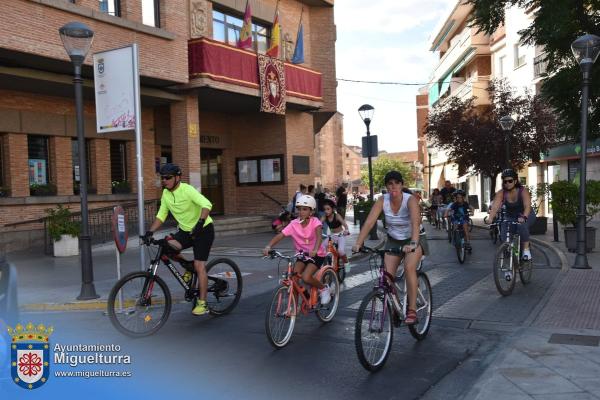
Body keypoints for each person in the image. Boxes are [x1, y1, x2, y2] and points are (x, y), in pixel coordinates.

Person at [352, 171, 428, 325]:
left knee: (408, 268)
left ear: (401, 185)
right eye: (390, 184)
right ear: (386, 186)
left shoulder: (410, 200)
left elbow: (415, 222)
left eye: (396, 183)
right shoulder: (382, 200)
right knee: (386, 278)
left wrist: (413, 243)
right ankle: (396, 307)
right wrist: (358, 243)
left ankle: (412, 310)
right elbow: (369, 222)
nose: (393, 186)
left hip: (414, 239)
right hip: (394, 240)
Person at [143, 163, 215, 316]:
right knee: (167, 248)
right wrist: (150, 232)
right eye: (162, 178)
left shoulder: (187, 190)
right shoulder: (166, 194)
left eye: (167, 178)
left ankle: (203, 303)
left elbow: (207, 204)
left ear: (177, 177)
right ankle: (188, 267)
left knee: (200, 265)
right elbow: (161, 215)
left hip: (203, 231)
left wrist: (200, 223)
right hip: (185, 231)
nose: (164, 180)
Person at [263, 195, 331, 304]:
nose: (301, 212)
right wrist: (268, 246)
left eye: (304, 209)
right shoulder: (294, 224)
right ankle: (294, 306)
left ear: (311, 211)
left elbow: (319, 238)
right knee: (293, 279)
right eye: (299, 209)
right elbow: (281, 235)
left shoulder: (315, 222)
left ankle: (324, 289)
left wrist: (315, 250)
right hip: (301, 255)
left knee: (306, 277)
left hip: (316, 254)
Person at [488, 169, 536, 261]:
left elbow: (527, 206)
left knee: (522, 225)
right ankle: (509, 264)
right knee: (504, 236)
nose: (507, 183)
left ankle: (526, 250)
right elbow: (495, 207)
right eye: (505, 181)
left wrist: (524, 217)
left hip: (526, 214)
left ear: (515, 181)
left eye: (510, 181)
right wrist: (490, 218)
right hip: (510, 217)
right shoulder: (501, 192)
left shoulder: (522, 191)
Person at [320, 198, 351, 264]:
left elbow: (345, 225)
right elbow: (318, 224)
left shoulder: (337, 216)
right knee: (322, 246)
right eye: (325, 209)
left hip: (340, 235)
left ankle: (347, 263)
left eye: (328, 209)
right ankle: (326, 264)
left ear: (333, 209)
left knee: (340, 250)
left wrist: (346, 230)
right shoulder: (324, 217)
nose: (326, 211)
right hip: (332, 236)